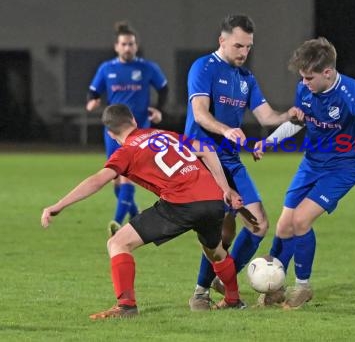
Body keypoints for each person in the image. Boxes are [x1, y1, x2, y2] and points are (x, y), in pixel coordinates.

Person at [41, 104, 251, 318]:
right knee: (215, 251)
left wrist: (58, 206)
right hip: (212, 199)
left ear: (110, 133)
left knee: (117, 243)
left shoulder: (126, 151)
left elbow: (97, 181)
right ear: (133, 120)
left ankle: (126, 307)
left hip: (181, 204)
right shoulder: (162, 133)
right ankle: (233, 300)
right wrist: (226, 189)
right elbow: (207, 149)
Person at [251, 37, 355, 309]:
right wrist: (269, 141)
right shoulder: (305, 89)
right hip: (312, 162)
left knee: (301, 221)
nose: (303, 83)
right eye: (301, 77)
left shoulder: (352, 93)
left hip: (344, 167)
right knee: (283, 226)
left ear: (328, 72)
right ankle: (274, 287)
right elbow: (298, 122)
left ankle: (303, 287)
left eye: (309, 78)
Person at [184, 14, 300, 310]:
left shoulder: (246, 78)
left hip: (231, 160)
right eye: (238, 46)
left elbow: (266, 117)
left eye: (248, 47)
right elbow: (199, 113)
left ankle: (226, 279)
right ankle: (200, 292)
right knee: (220, 231)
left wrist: (289, 115)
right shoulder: (203, 67)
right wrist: (225, 129)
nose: (243, 52)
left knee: (259, 224)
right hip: (203, 158)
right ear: (222, 41)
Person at [86, 21, 169, 236]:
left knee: (126, 175)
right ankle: (135, 215)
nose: (128, 48)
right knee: (116, 178)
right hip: (113, 131)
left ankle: (116, 221)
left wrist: (158, 110)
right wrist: (92, 101)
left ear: (136, 45)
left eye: (131, 44)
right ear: (117, 46)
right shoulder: (107, 69)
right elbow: (93, 92)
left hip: (138, 131)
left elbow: (164, 89)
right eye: (124, 44)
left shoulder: (147, 68)